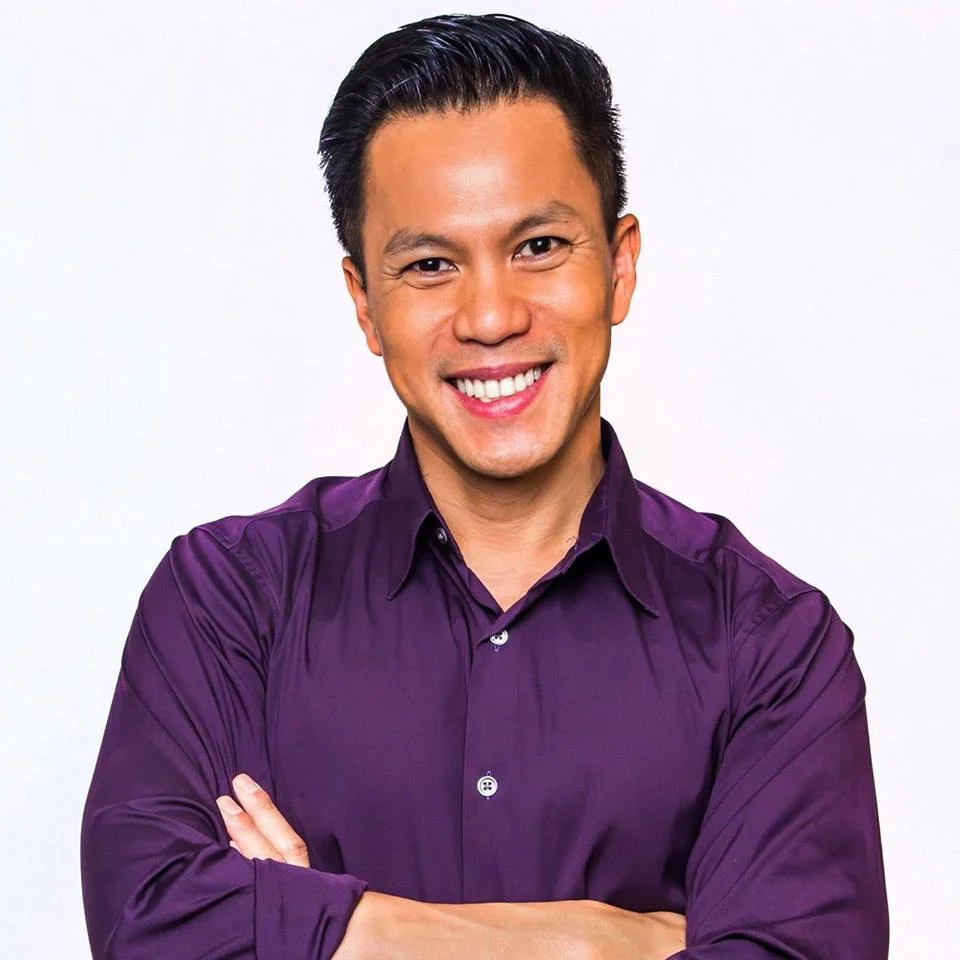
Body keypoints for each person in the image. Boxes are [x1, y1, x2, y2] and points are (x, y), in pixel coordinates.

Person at [80, 13, 888, 960]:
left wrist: (314, 929)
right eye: (430, 265)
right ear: (364, 303)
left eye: (539, 246)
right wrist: (588, 944)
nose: (493, 317)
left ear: (620, 265)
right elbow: (152, 923)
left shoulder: (774, 647)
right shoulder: (228, 604)